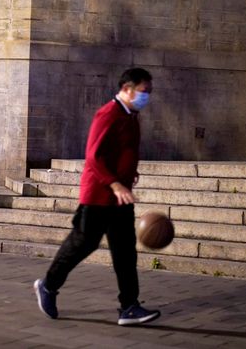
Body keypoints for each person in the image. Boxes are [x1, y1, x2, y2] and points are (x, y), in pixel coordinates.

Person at [34, 68, 160, 326]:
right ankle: (48, 286)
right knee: (82, 244)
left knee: (125, 252)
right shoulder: (108, 114)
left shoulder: (131, 116)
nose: (147, 97)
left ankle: (129, 307)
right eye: (144, 92)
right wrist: (115, 184)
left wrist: (128, 177)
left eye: (149, 92)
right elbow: (94, 156)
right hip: (98, 196)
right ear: (127, 89)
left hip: (119, 198)